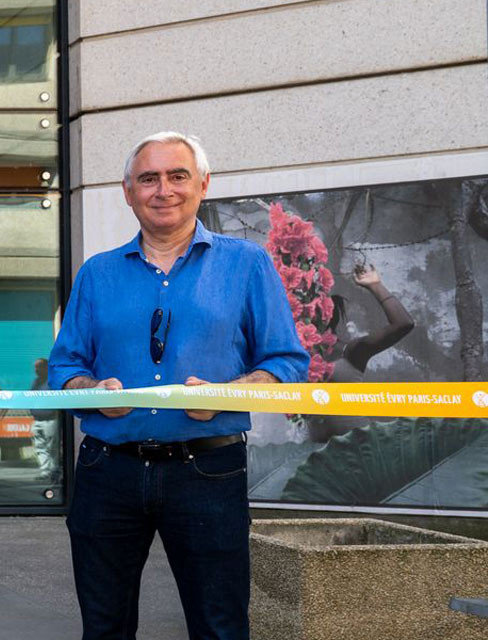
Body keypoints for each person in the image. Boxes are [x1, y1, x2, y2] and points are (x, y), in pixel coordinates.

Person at [48, 132, 307, 639]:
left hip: (207, 472)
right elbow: (64, 369)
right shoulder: (97, 274)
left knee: (220, 628)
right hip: (107, 471)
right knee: (103, 628)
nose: (163, 189)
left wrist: (226, 393)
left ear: (203, 185)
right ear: (128, 191)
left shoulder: (247, 264)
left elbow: (287, 363)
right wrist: (92, 388)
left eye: (177, 176)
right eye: (148, 178)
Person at [306, 263, 416, 442]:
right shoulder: (297, 355)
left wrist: (375, 285)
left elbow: (403, 324)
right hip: (319, 456)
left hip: (359, 451)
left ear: (327, 315)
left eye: (313, 311)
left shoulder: (351, 351)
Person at [29, 358, 61, 483]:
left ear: (46, 367)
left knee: (52, 447)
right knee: (39, 446)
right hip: (37, 420)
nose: (36, 370)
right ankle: (45, 471)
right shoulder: (36, 382)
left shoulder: (53, 382)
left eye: (39, 367)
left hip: (50, 420)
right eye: (35, 367)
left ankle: (54, 471)